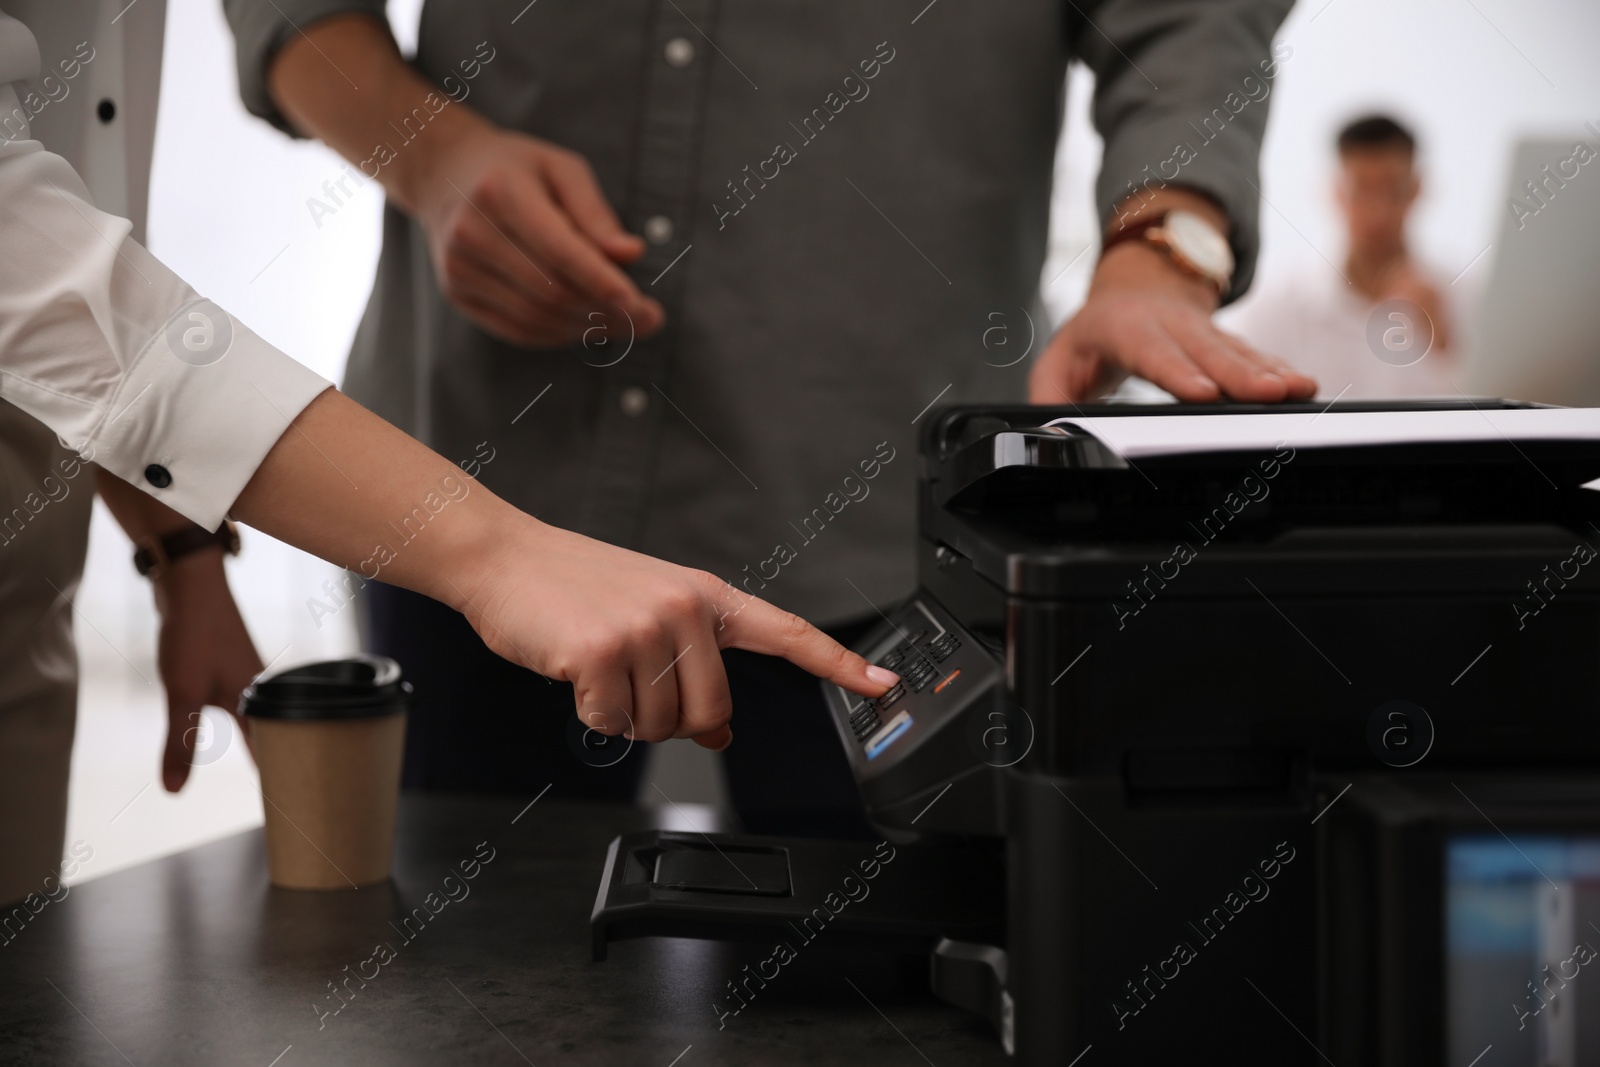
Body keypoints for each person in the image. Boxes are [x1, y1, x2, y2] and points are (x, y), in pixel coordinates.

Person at [225, 0, 1316, 833]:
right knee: (454, 982)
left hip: (881, 533)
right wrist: (433, 156)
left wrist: (1164, 248)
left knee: (871, 1008)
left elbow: (1191, 20)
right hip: (476, 466)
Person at [0, 1, 895, 906]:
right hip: (460, 480)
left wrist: (180, 555)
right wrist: (493, 552)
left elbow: (70, 263)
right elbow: (31, 254)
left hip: (865, 526)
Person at [1223, 114, 1460, 398]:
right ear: (1336, 192)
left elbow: (1503, 411)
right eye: (1362, 190)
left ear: (1417, 189)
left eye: (1394, 190)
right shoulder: (1276, 308)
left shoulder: (1465, 296)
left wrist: (1443, 343)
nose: (1378, 213)